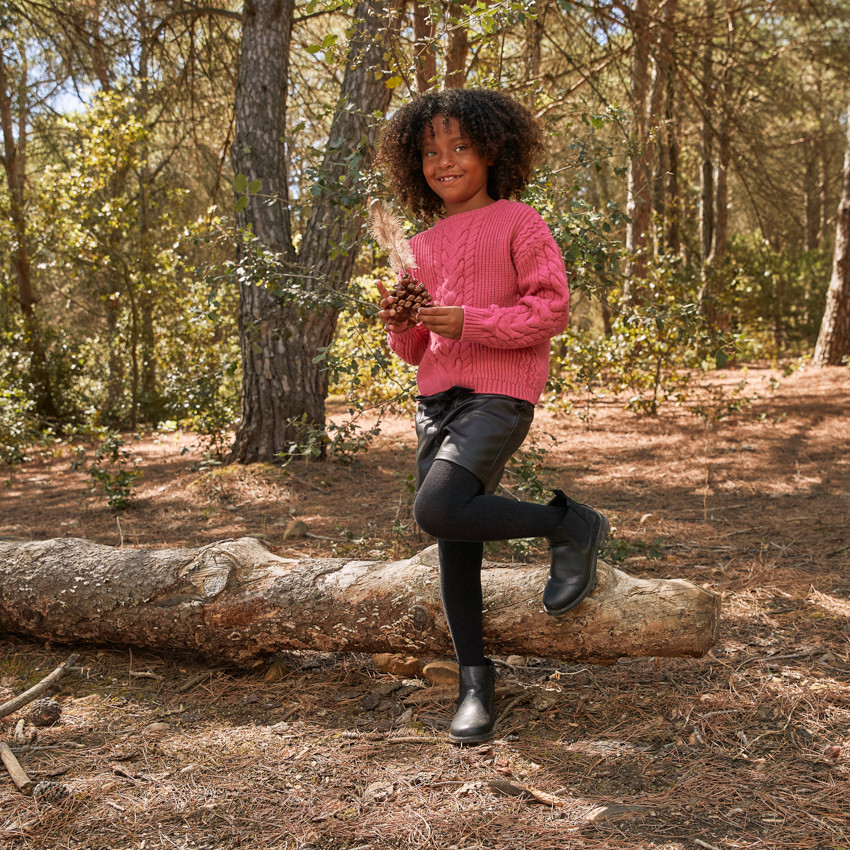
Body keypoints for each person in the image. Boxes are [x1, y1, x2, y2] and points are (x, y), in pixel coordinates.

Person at [373, 88, 608, 745]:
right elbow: (415, 348)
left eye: (460, 147)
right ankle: (475, 682)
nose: (444, 161)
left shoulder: (519, 222)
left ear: (492, 150)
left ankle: (570, 523)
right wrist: (400, 323)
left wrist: (470, 319)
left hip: (499, 392)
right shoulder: (418, 245)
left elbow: (549, 311)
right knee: (454, 539)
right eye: (430, 151)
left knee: (437, 509)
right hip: (435, 399)